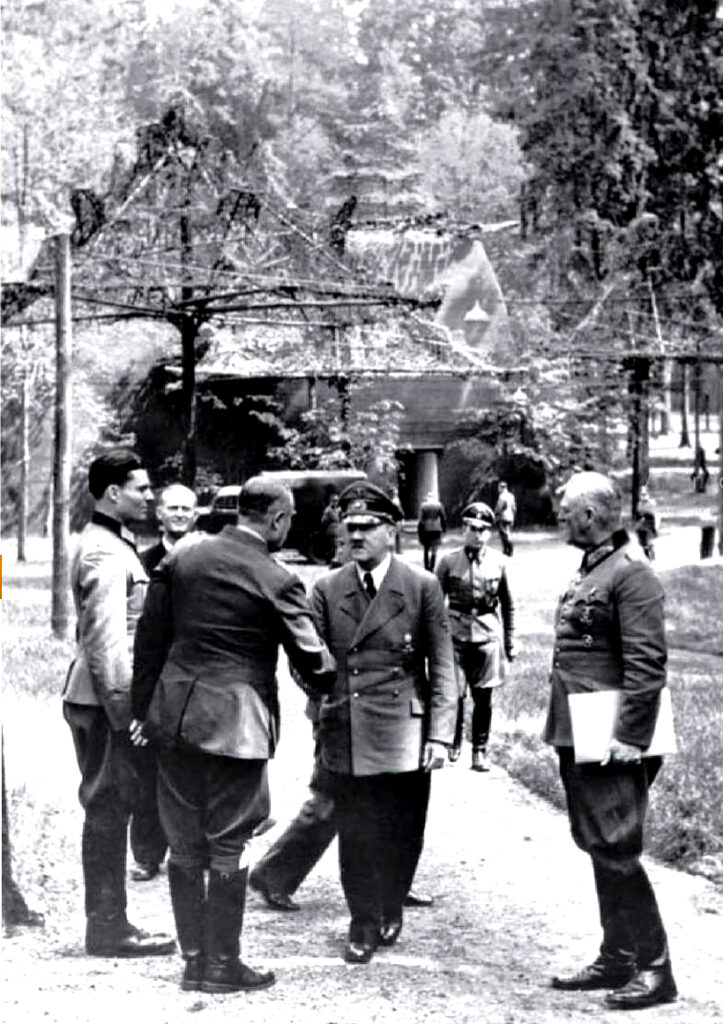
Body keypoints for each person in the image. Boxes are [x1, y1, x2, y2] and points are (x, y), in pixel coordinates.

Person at [131, 477, 335, 994]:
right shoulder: (277, 576)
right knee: (229, 843)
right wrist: (325, 678)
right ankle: (222, 965)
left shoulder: (183, 559)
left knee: (182, 843)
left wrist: (143, 711)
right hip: (235, 726)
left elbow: (149, 641)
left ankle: (193, 960)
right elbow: (314, 660)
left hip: (174, 720)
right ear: (277, 520)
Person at [310, 481, 457, 964]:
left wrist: (439, 734)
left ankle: (393, 899)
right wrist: (325, 698)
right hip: (350, 726)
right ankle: (363, 919)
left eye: (367, 527)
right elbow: (305, 658)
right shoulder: (328, 589)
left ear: (390, 532)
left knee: (403, 829)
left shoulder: (421, 586)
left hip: (405, 730)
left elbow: (442, 665)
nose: (355, 536)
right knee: (355, 831)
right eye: (349, 527)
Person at [546, 471, 676, 1010]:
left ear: (592, 516)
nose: (558, 517)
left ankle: (655, 968)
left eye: (564, 510)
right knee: (599, 844)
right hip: (581, 727)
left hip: (611, 732)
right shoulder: (597, 564)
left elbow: (648, 664)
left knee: (618, 848)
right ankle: (617, 956)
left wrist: (629, 737)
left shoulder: (632, 572)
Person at [62, 448, 175, 958]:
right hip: (106, 702)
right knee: (108, 807)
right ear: (114, 493)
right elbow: (108, 646)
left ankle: (110, 922)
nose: (150, 497)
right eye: (142, 489)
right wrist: (129, 716)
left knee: (110, 805)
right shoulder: (107, 552)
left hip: (96, 697)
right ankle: (108, 927)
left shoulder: (109, 542)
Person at [128, 484, 200, 884]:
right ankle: (146, 854)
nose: (177, 513)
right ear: (159, 515)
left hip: (195, 677)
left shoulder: (206, 560)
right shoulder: (143, 562)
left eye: (185, 508)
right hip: (155, 675)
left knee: (196, 765)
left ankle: (193, 850)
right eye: (170, 507)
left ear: (196, 514)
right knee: (147, 769)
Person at [435, 502, 516, 772]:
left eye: (483, 530)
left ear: (489, 533)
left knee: (483, 698)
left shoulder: (500, 563)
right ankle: (455, 740)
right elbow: (434, 603)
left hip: (487, 636)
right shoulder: (448, 562)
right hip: (455, 635)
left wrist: (510, 641)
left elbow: (508, 604)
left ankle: (480, 750)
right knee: (454, 693)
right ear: (463, 529)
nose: (477, 534)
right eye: (472, 528)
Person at [416, 490, 447, 570]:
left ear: (427, 498)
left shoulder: (423, 506)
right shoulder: (438, 505)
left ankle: (426, 566)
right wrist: (444, 528)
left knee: (426, 549)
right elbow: (443, 517)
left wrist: (420, 531)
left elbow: (421, 520)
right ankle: (432, 566)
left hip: (427, 528)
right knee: (434, 549)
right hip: (436, 528)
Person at [634, 485, 657, 562]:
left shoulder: (651, 503)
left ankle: (650, 554)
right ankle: (647, 554)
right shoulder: (639, 504)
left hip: (648, 522)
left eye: (644, 494)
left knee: (648, 540)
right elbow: (639, 513)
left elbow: (652, 514)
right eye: (641, 494)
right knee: (642, 541)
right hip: (641, 523)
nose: (643, 496)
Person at [494, 481, 517, 557]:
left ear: (501, 488)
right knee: (508, 534)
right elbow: (514, 508)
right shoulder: (511, 496)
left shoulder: (502, 496)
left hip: (503, 517)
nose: (498, 490)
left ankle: (507, 550)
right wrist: (513, 516)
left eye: (499, 488)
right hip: (510, 517)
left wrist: (495, 514)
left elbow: (499, 508)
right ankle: (509, 550)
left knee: (504, 535)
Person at [319, 492, 341, 564]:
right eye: (333, 501)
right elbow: (323, 521)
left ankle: (335, 561)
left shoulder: (339, 510)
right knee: (331, 547)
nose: (335, 503)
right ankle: (330, 561)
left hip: (338, 530)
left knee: (337, 547)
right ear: (330, 501)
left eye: (336, 501)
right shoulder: (328, 510)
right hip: (331, 531)